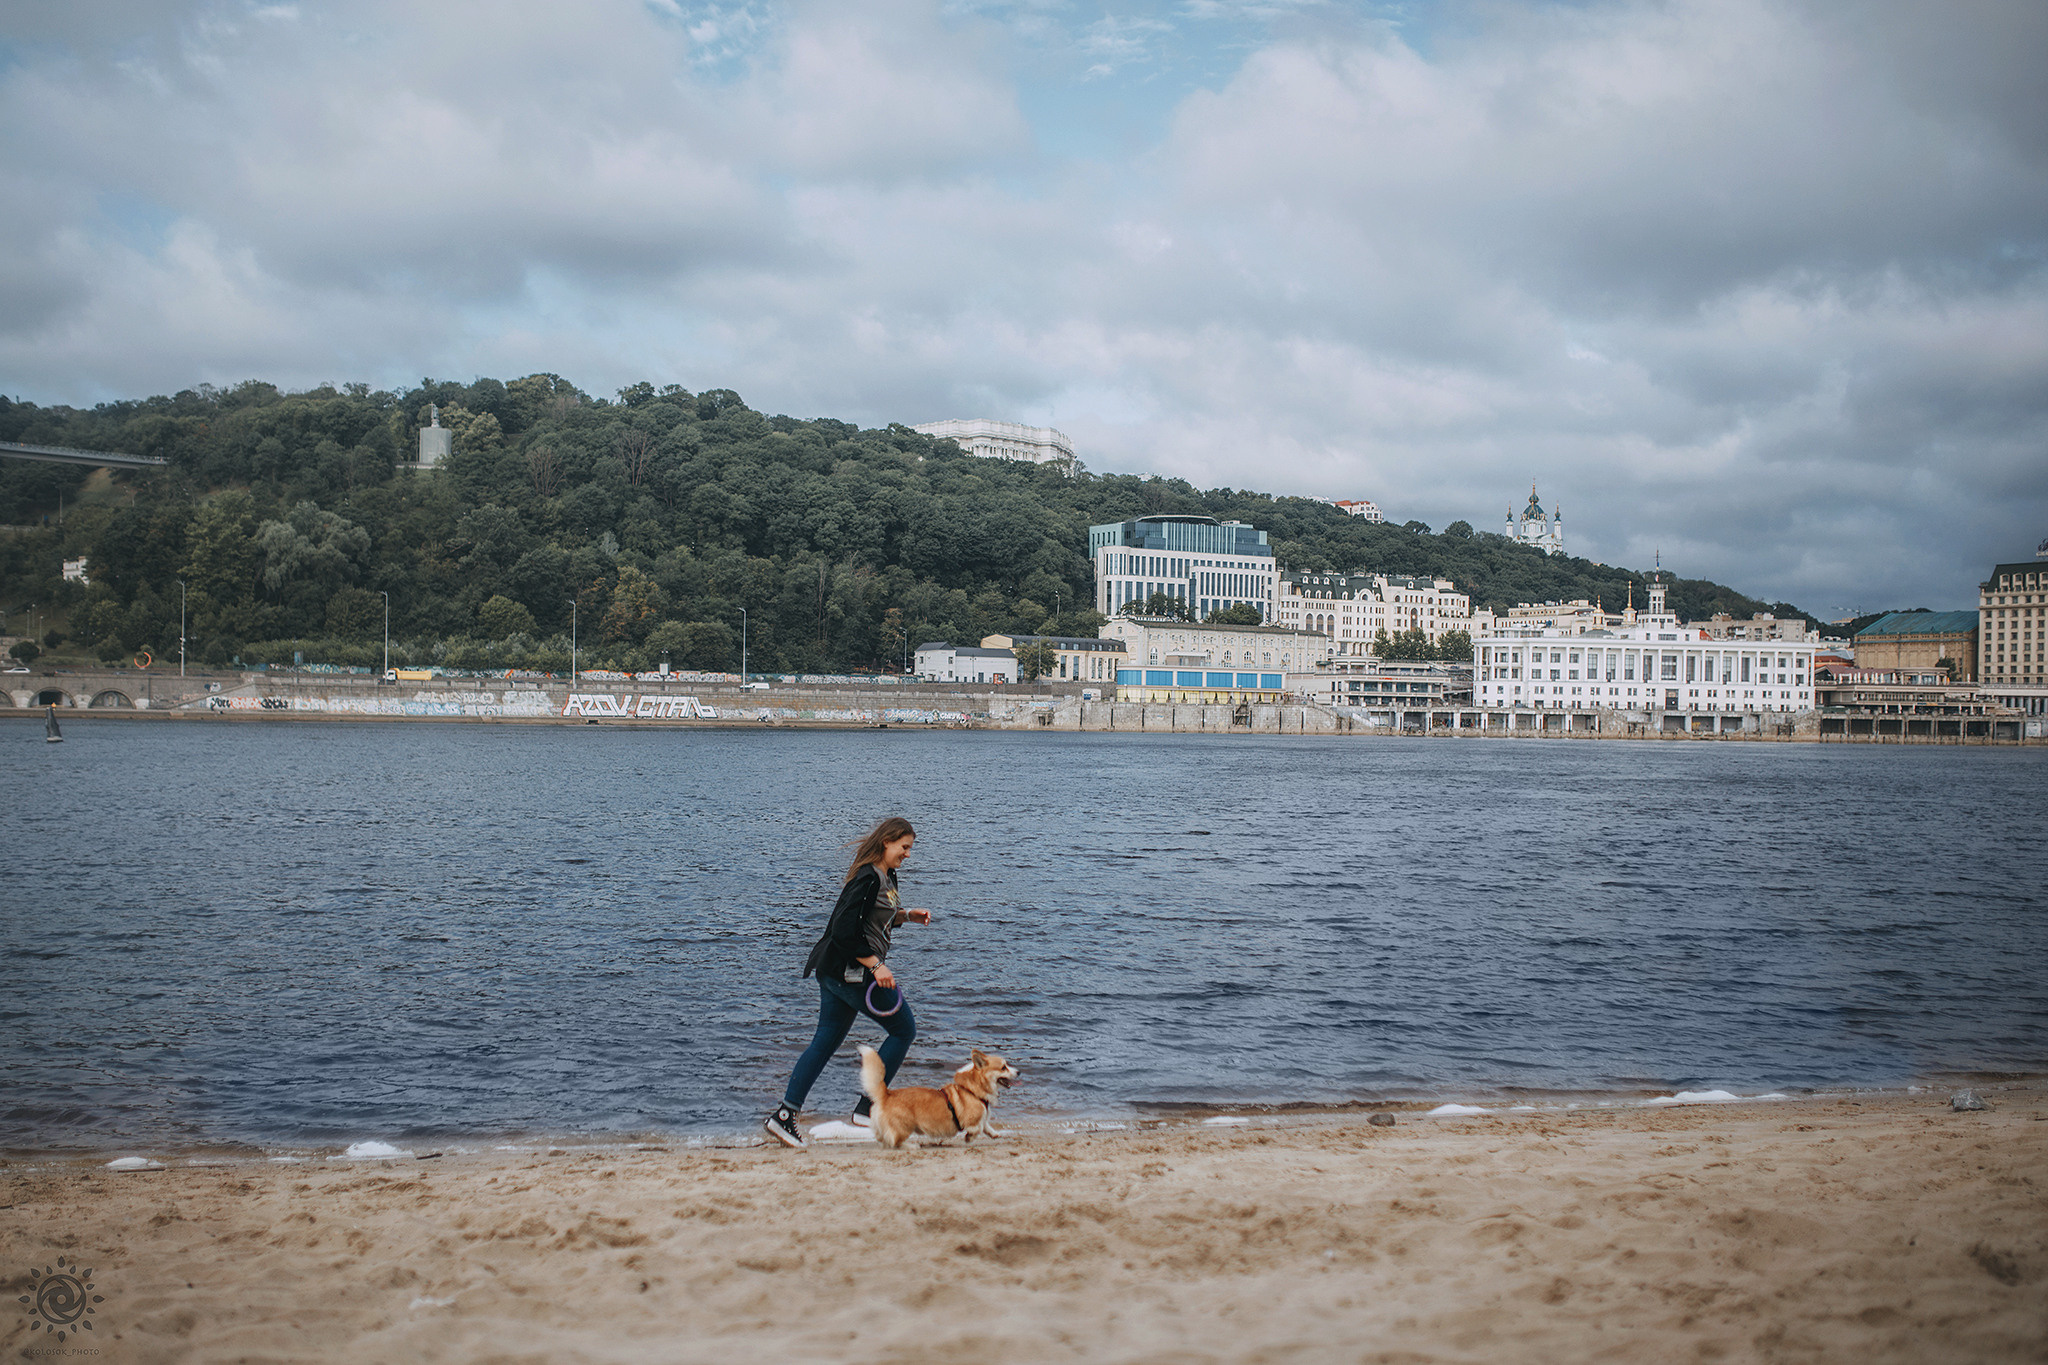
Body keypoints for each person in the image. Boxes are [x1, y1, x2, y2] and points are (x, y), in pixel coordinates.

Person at [763, 816, 933, 1149]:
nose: (908, 854)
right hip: (850, 973)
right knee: (903, 1030)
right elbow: (843, 931)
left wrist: (907, 915)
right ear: (887, 842)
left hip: (835, 972)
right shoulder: (867, 878)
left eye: (910, 849)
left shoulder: (886, 876)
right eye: (905, 847)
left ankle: (784, 1116)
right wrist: (877, 965)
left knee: (824, 1042)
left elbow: (874, 918)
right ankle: (868, 1109)